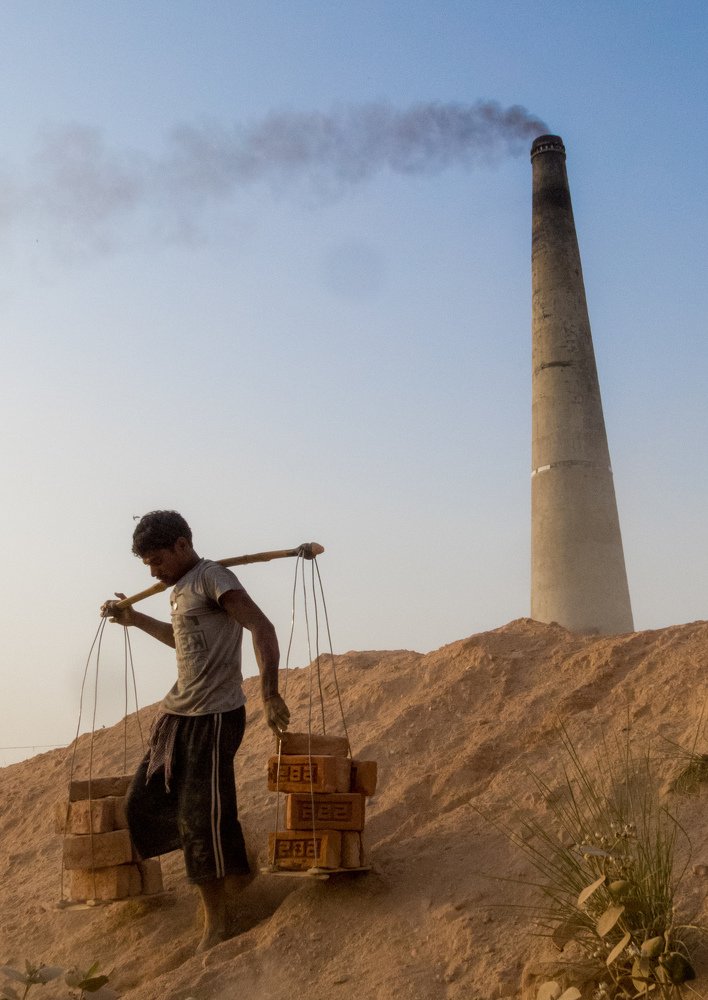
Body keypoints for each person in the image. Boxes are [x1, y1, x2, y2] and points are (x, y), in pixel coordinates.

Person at [100, 510, 290, 952]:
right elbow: (182, 640)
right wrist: (134, 619)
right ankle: (236, 869)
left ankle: (218, 921)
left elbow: (261, 626)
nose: (153, 570)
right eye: (146, 563)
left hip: (215, 715)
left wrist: (271, 692)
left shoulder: (211, 577)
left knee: (197, 817)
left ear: (183, 545)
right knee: (140, 805)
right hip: (178, 715)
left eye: (158, 560)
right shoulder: (178, 590)